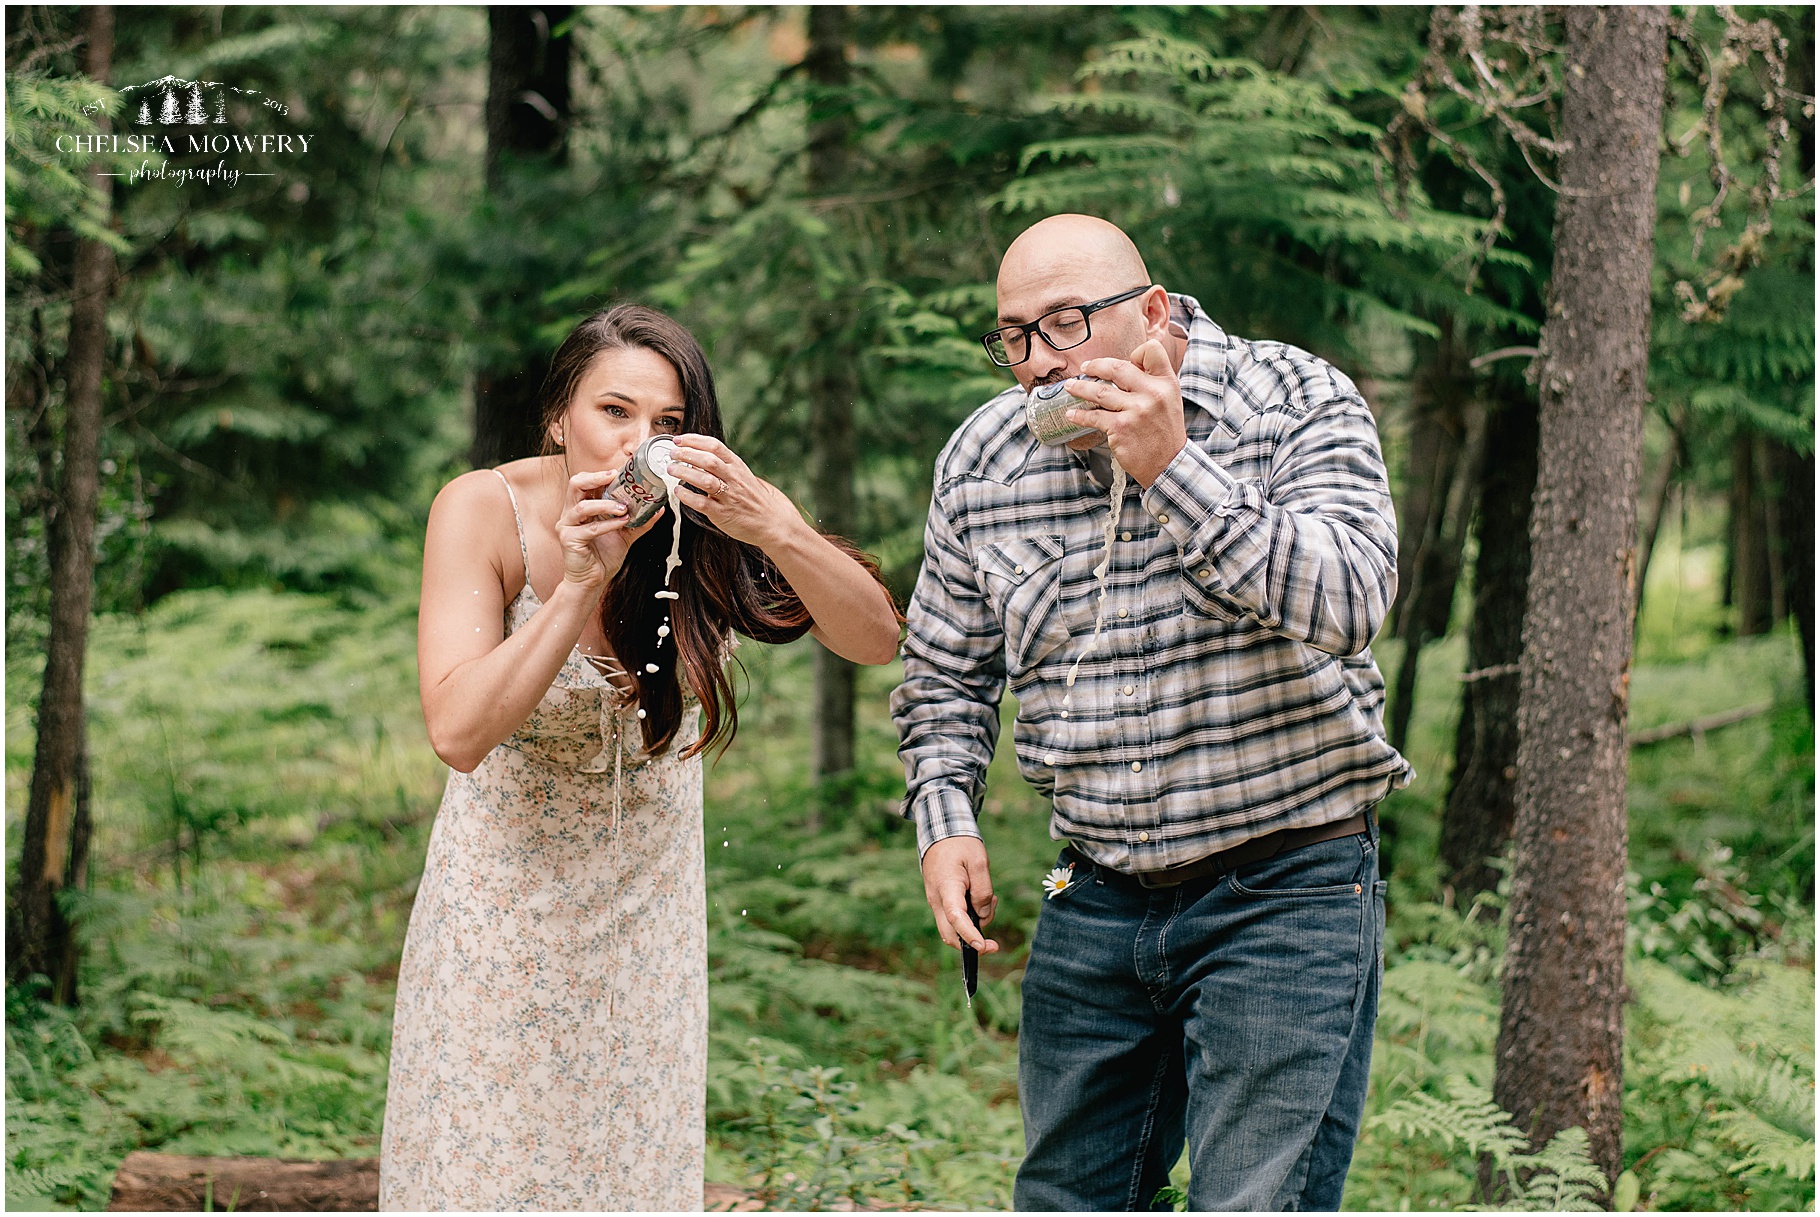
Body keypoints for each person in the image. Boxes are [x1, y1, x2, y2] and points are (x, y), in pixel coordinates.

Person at [890, 214, 1412, 1211]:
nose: (1038, 364)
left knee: (1253, 1200)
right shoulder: (982, 460)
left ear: (1154, 314)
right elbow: (945, 671)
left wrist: (1174, 467)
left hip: (1288, 883)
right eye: (1013, 335)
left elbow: (1350, 602)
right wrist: (945, 819)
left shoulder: (1290, 399)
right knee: (1064, 1195)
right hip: (1087, 885)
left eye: (1066, 324)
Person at [381, 303, 900, 1211]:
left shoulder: (705, 523)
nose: (640, 445)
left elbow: (875, 636)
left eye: (669, 423)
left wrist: (775, 525)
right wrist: (581, 578)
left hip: (645, 932)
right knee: (480, 1174)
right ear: (558, 416)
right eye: (614, 412)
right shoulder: (482, 508)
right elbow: (457, 732)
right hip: (500, 926)